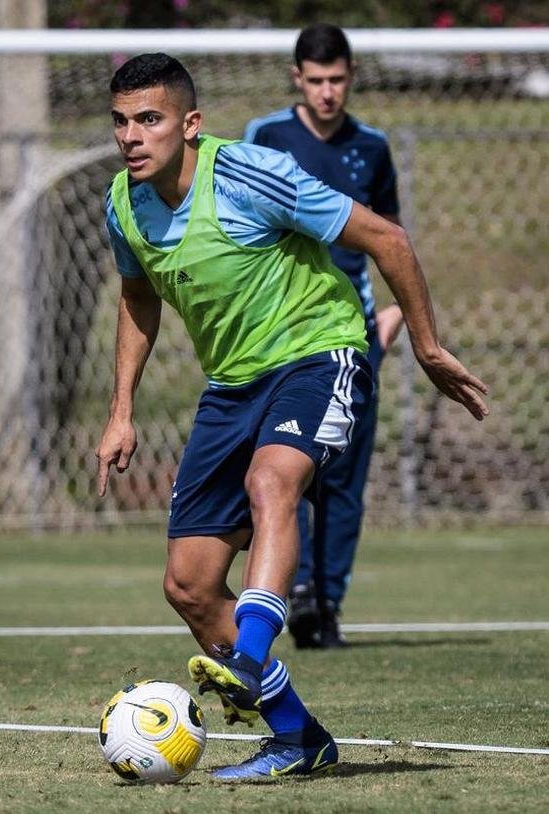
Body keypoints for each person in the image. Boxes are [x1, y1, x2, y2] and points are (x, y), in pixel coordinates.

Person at [96, 52, 488, 781]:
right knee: (188, 584)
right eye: (120, 122)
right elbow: (137, 295)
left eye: (149, 119)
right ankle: (298, 737)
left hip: (317, 354)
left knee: (271, 482)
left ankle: (248, 657)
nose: (131, 136)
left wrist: (428, 348)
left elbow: (387, 238)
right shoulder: (124, 202)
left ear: (190, 124)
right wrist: (122, 409)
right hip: (231, 386)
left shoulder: (251, 175)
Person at [245, 23, 404, 649]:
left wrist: (391, 315)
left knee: (343, 477)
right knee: (286, 469)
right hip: (284, 334)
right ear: (297, 78)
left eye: (337, 79)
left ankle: (327, 602)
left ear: (351, 76)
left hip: (353, 337)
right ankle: (297, 593)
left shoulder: (373, 147)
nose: (328, 91)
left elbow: (391, 238)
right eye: (316, 80)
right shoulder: (266, 137)